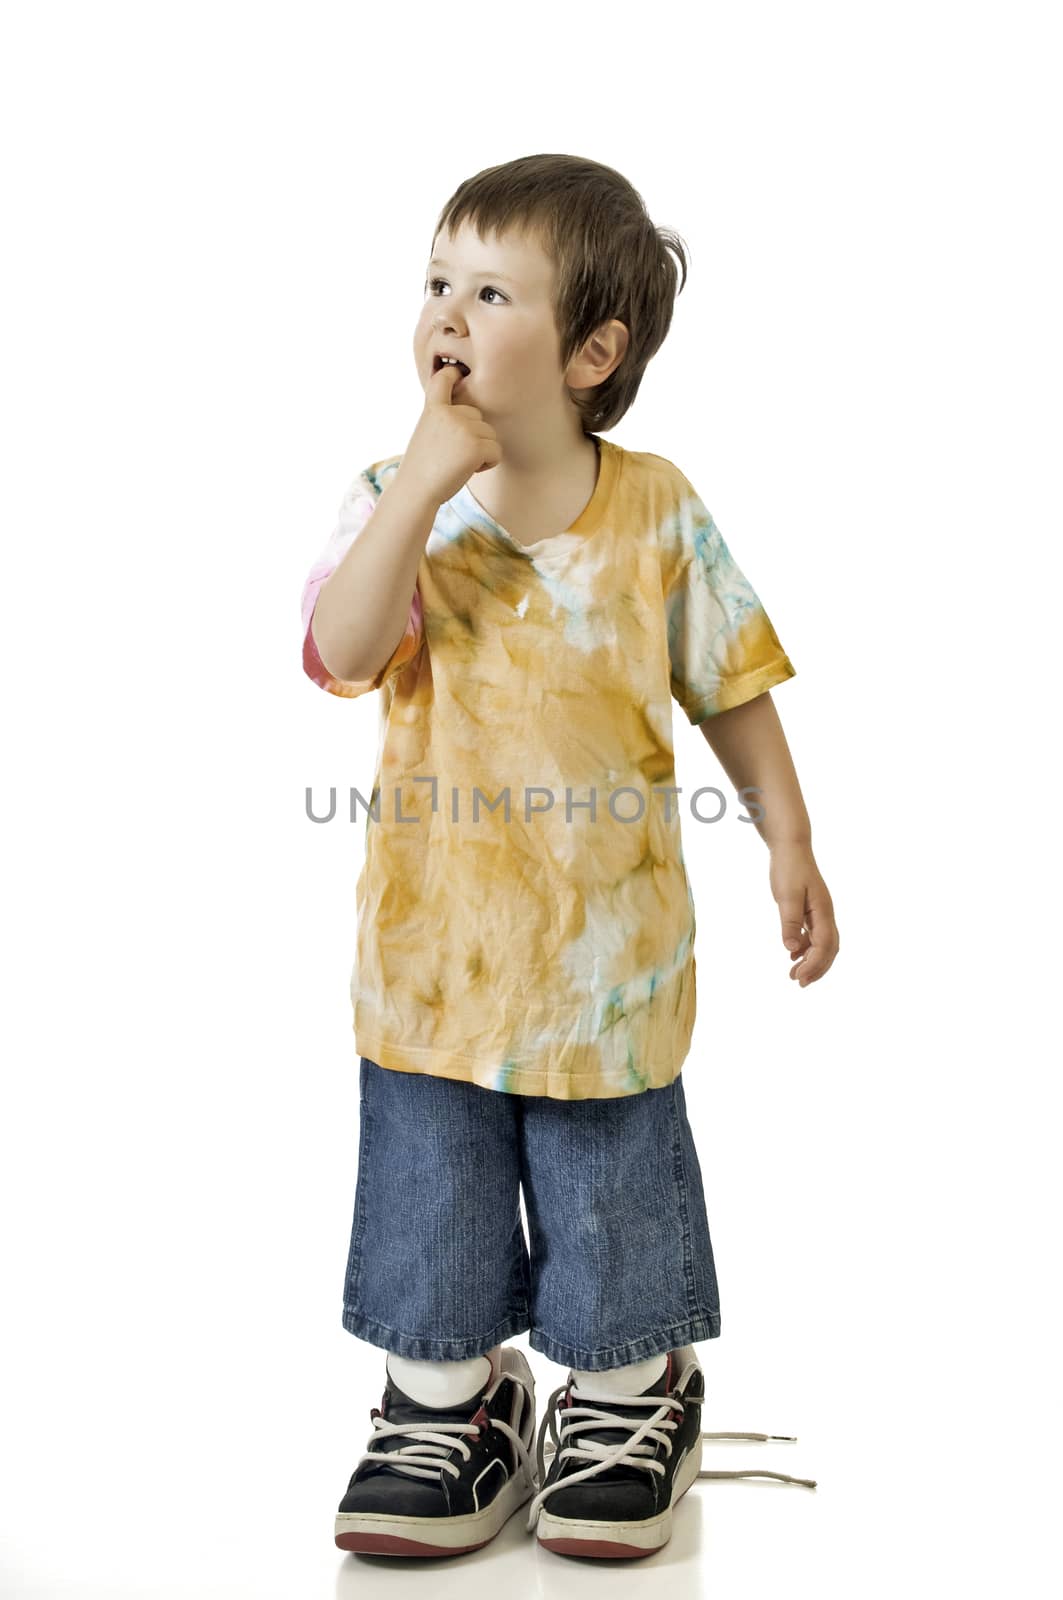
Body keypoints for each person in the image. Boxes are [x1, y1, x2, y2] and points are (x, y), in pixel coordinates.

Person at [300, 153, 837, 1560]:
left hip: (609, 967)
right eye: (436, 283)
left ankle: (625, 1393)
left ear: (592, 351)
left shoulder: (653, 509)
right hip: (434, 965)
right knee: (434, 1193)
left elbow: (728, 678)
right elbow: (342, 654)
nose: (450, 314)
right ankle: (447, 1409)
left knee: (612, 1186)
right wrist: (420, 486)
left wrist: (788, 833)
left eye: (492, 289)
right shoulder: (389, 499)